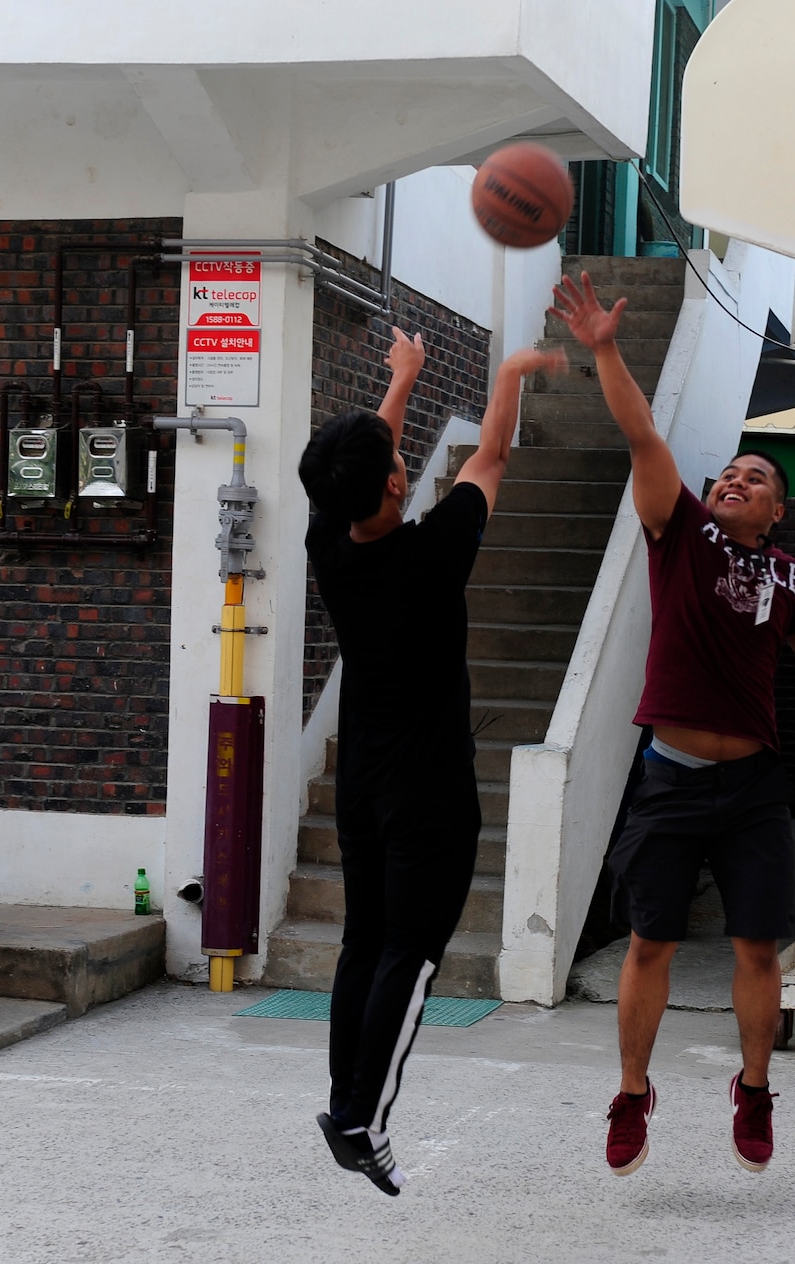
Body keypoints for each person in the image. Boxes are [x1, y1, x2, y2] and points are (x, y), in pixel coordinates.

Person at [550, 273, 795, 1177]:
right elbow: (642, 432)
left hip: (755, 787)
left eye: (755, 476)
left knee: (755, 944)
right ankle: (631, 1091)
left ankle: (755, 1088)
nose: (736, 478)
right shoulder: (678, 534)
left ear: (777, 512)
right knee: (650, 938)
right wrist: (606, 346)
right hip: (670, 777)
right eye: (730, 470)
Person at [299, 325, 565, 1196]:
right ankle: (363, 1121)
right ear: (396, 480)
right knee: (410, 955)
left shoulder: (329, 547)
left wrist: (403, 380)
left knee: (364, 943)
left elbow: (375, 465)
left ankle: (343, 1101)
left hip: (364, 787)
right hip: (430, 794)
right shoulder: (434, 553)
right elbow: (492, 451)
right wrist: (515, 371)